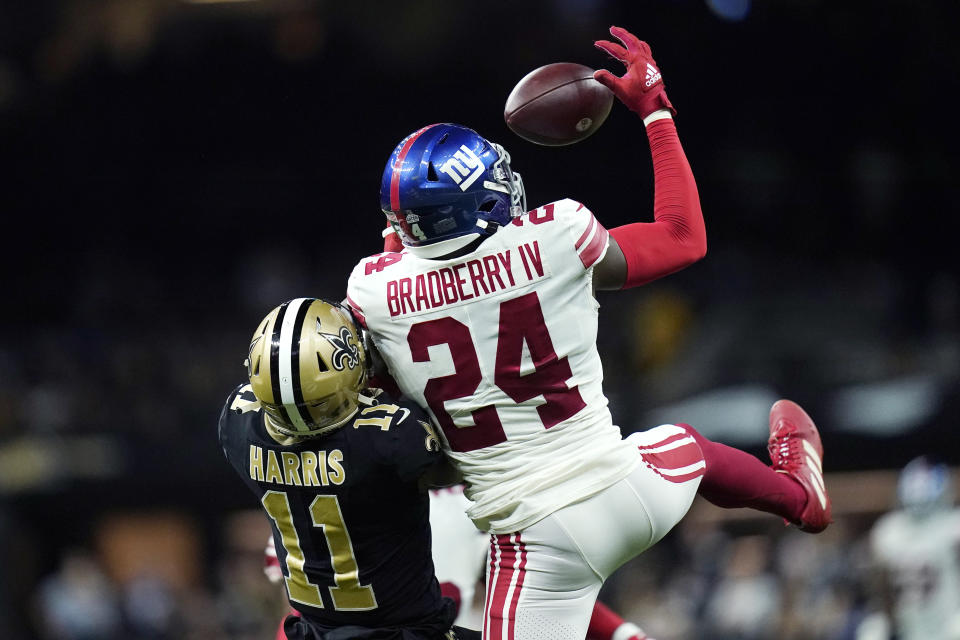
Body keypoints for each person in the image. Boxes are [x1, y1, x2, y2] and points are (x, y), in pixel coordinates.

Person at [346, 25, 832, 639]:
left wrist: (403, 225)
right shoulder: (557, 233)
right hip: (629, 489)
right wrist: (654, 109)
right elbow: (684, 238)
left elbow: (392, 304)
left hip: (530, 540)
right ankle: (799, 498)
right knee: (687, 447)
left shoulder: (371, 290)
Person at [217, 297, 479, 640]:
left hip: (314, 632)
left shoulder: (237, 426)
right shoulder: (392, 441)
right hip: (403, 632)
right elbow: (457, 465)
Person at [859, 456, 960, 640]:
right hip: (909, 628)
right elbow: (881, 585)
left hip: (948, 622)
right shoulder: (889, 533)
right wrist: (881, 617)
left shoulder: (953, 526)